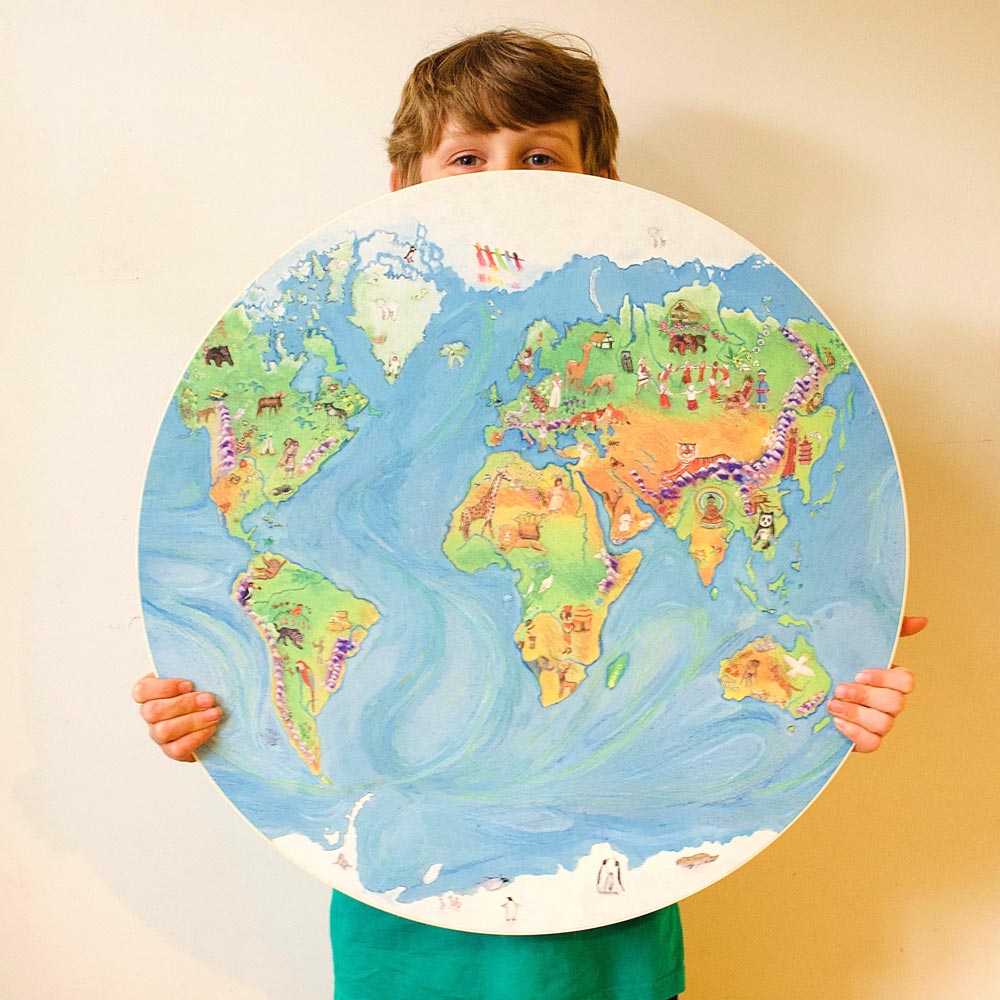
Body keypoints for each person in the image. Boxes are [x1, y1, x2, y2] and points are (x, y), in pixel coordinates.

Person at [132, 28, 925, 1000]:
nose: (502, 181)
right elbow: (259, 582)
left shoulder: (654, 370)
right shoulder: (335, 376)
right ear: (405, 185)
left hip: (613, 907)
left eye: (540, 156)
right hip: (404, 920)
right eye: (467, 157)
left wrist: (832, 655)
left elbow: (737, 597)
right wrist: (209, 701)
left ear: (603, 184)